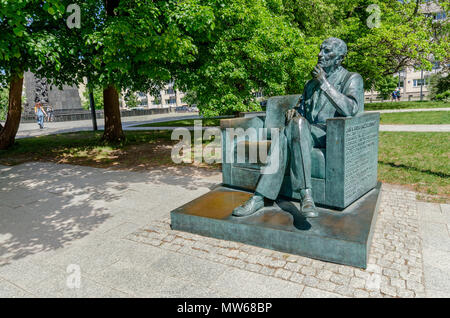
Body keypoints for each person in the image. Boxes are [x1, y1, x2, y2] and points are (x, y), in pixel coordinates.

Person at [232, 37, 364, 218]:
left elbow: (351, 109)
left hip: (331, 133)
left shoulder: (351, 78)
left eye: (327, 52)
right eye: (321, 49)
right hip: (305, 130)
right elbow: (303, 110)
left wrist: (324, 83)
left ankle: (261, 196)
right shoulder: (310, 84)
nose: (320, 54)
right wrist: (295, 111)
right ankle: (304, 195)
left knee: (286, 135)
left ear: (339, 59)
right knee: (291, 130)